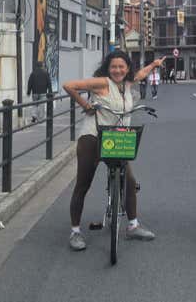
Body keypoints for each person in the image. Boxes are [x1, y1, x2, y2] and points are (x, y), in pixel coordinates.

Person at [62, 50, 165, 251]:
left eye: (121, 67)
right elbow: (69, 86)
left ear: (127, 68)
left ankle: (133, 226)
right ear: (108, 68)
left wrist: (154, 65)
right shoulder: (102, 83)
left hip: (116, 138)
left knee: (130, 181)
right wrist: (86, 105)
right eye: (113, 67)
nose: (117, 70)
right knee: (83, 184)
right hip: (93, 137)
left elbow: (141, 74)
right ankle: (75, 232)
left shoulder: (127, 83)